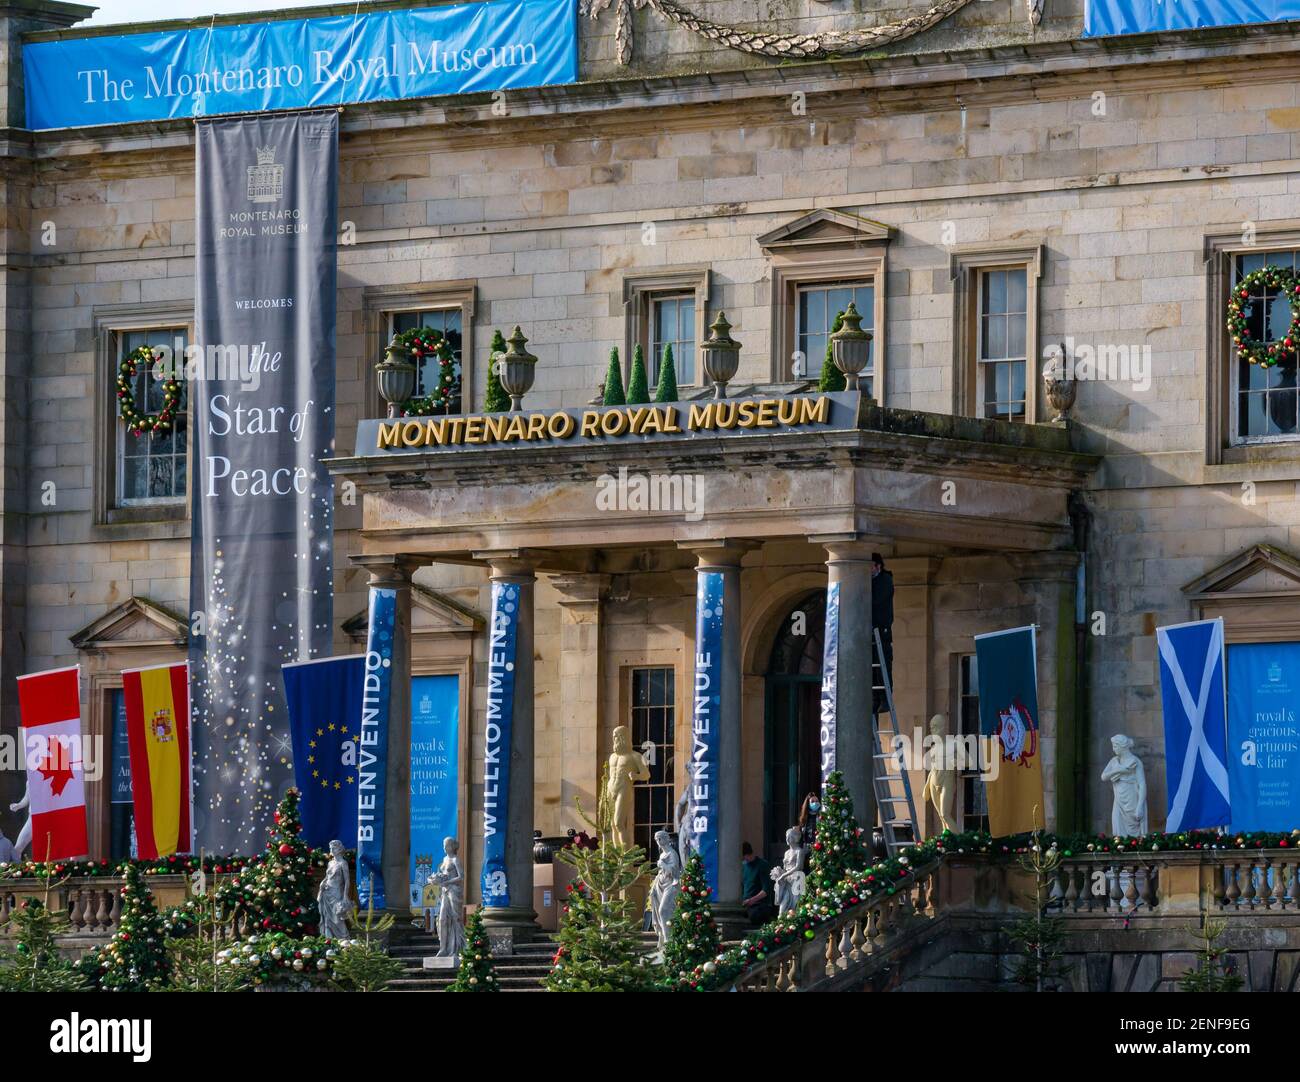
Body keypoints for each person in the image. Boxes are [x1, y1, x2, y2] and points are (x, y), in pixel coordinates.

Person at [870, 552, 894, 714]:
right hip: (870, 629)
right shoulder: (870, 581)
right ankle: (875, 700)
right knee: (871, 667)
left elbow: (875, 600)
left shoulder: (885, 580)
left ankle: (885, 699)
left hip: (881, 629)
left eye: (870, 566)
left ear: (878, 566)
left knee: (882, 664)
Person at [741, 841, 777, 925]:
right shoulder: (744, 866)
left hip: (760, 904)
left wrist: (751, 900)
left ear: (747, 854)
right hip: (746, 904)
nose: (744, 860)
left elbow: (766, 890)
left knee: (754, 915)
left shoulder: (762, 865)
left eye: (744, 857)